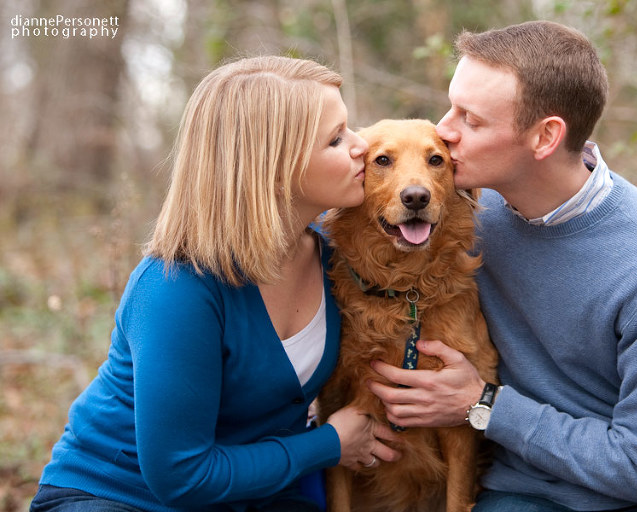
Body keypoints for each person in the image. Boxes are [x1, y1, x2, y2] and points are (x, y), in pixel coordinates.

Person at [368, 21, 637, 511]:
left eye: (471, 120)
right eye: (450, 105)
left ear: (545, 137)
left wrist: (484, 406)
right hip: (527, 489)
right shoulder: (455, 215)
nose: (445, 130)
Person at [30, 55, 399, 512]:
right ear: (274, 166)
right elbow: (181, 477)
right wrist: (328, 444)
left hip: (255, 496)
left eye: (350, 128)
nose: (362, 146)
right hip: (122, 498)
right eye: (336, 138)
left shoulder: (337, 255)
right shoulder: (176, 287)